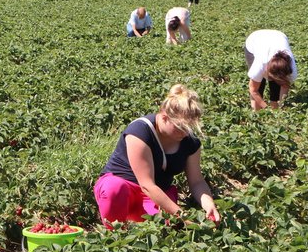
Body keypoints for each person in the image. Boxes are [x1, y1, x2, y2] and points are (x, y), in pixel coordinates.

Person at [93, 84, 220, 229]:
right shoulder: (140, 131)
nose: (184, 133)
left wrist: (209, 204)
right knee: (114, 188)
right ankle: (114, 235)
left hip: (156, 195)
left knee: (164, 226)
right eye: (180, 127)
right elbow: (147, 185)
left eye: (188, 128)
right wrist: (183, 216)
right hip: (125, 191)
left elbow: (197, 181)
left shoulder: (190, 143)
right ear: (164, 116)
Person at [245, 30, 297, 110]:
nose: (269, 79)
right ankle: (256, 114)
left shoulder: (291, 70)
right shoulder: (260, 64)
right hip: (255, 39)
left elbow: (285, 86)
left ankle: (275, 108)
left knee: (276, 86)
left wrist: (281, 106)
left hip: (279, 37)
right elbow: (253, 90)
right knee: (259, 85)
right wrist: (265, 108)